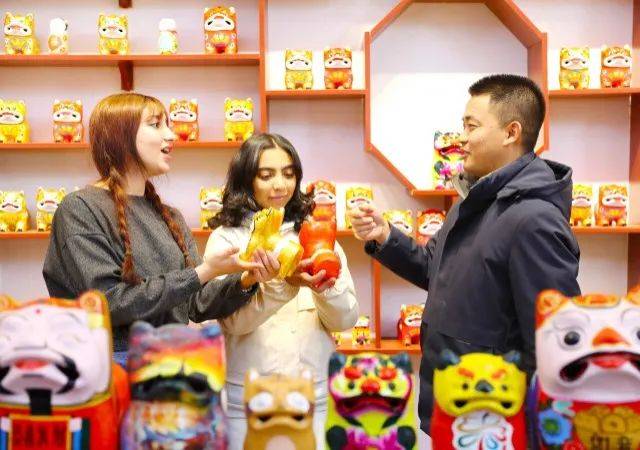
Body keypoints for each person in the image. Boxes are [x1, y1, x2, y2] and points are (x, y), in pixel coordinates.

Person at [348, 74, 581, 433]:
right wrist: (385, 236)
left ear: (511, 133)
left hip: (494, 420)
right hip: (453, 404)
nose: (461, 138)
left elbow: (552, 341)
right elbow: (434, 268)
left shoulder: (534, 219)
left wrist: (538, 430)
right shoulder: (474, 201)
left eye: (471, 126)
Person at [43, 92, 262, 364]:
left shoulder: (170, 217)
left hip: (170, 366)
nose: (171, 135)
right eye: (156, 125)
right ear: (119, 135)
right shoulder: (80, 209)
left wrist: (246, 279)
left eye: (168, 124)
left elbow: (195, 303)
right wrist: (203, 272)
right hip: (107, 372)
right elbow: (108, 302)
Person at [205, 132, 358, 450]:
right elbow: (234, 323)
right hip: (249, 402)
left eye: (288, 174)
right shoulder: (227, 239)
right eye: (266, 175)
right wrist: (284, 283)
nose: (280, 185)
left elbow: (345, 320)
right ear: (246, 179)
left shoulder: (316, 232)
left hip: (312, 396)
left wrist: (323, 285)